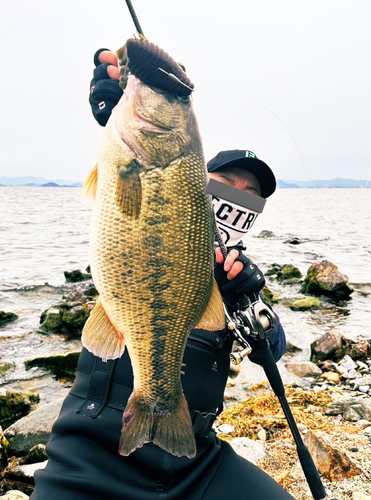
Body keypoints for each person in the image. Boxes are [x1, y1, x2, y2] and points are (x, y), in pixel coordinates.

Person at [30, 49, 293, 500]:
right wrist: (120, 112)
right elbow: (131, 188)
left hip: (195, 461)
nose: (241, 194)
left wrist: (249, 300)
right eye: (229, 180)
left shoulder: (238, 275)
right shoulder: (155, 189)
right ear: (199, 180)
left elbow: (273, 348)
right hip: (91, 450)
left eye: (253, 192)